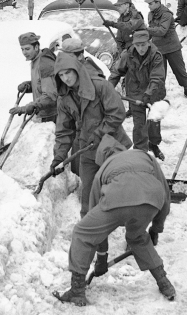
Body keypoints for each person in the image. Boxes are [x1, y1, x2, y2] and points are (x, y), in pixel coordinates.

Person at [53, 136, 174, 306]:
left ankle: (77, 291)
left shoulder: (102, 171)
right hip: (151, 199)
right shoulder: (144, 156)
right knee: (137, 237)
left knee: (82, 233)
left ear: (101, 158)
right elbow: (165, 196)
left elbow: (95, 228)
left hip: (117, 199)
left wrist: (102, 258)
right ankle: (164, 283)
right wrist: (155, 229)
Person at [51, 52, 133, 275]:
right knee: (89, 205)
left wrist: (99, 133)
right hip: (88, 155)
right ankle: (101, 255)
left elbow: (118, 112)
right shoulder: (64, 97)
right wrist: (59, 156)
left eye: (68, 72)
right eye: (61, 75)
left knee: (121, 198)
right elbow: (64, 130)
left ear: (77, 69)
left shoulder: (100, 87)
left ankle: (136, 237)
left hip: (113, 148)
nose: (66, 78)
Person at [108, 28, 166, 159]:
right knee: (139, 126)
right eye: (138, 45)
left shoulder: (156, 55)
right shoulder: (127, 55)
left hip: (154, 93)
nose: (141, 48)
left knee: (154, 124)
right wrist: (108, 87)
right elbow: (117, 72)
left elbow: (156, 77)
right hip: (134, 93)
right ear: (133, 44)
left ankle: (154, 144)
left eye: (143, 45)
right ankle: (141, 154)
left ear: (149, 42)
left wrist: (148, 94)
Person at [144, 0, 187, 97]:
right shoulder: (150, 14)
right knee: (159, 73)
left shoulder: (166, 14)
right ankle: (160, 94)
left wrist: (147, 29)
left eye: (150, 3)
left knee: (179, 70)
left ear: (158, 3)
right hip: (158, 48)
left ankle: (186, 88)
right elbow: (151, 31)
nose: (149, 6)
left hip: (172, 47)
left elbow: (162, 31)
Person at [10, 32, 58, 122]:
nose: (24, 52)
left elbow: (50, 96)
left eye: (27, 49)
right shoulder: (35, 60)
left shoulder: (45, 64)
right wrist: (29, 86)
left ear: (36, 47)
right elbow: (43, 84)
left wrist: (26, 108)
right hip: (43, 113)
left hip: (53, 115)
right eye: (22, 49)